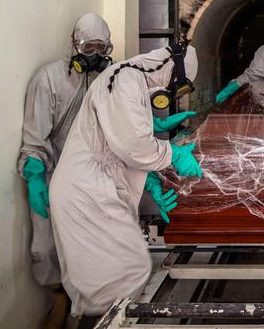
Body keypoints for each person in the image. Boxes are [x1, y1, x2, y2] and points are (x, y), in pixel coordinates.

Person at [48, 43, 201, 324]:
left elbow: (120, 143)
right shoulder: (124, 79)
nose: (171, 92)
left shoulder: (133, 81)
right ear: (173, 70)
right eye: (179, 86)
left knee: (109, 283)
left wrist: (153, 181)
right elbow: (133, 145)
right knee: (120, 279)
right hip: (87, 193)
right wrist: (173, 154)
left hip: (96, 190)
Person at [17, 12, 113, 327]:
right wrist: (34, 175)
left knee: (94, 246)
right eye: (88, 48)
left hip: (93, 175)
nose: (94, 56)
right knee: (45, 249)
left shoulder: (110, 79)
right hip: (53, 172)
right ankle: (60, 297)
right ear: (74, 45)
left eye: (101, 49)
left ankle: (93, 305)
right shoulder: (49, 80)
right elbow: (35, 139)